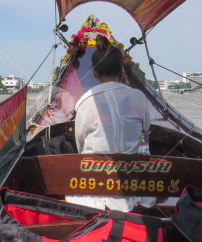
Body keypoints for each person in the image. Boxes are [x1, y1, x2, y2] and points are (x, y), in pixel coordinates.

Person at [66, 35, 154, 212]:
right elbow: (145, 131)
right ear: (122, 71)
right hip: (133, 184)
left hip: (95, 184)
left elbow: (80, 144)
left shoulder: (85, 101)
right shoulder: (139, 97)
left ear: (94, 72)